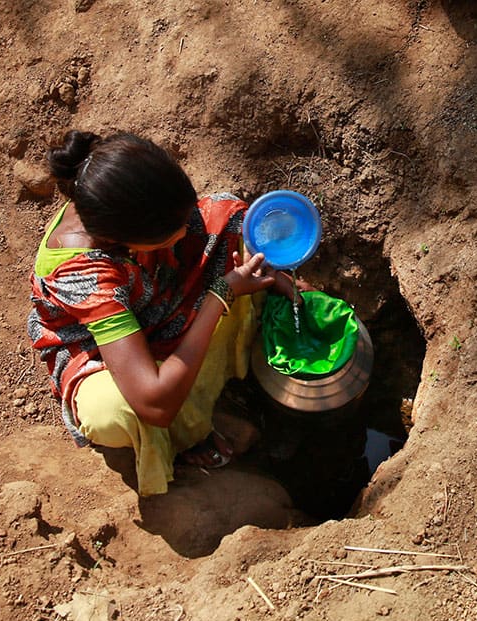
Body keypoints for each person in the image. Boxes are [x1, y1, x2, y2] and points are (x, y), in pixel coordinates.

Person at [27, 130, 292, 496]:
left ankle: (219, 349)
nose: (185, 231)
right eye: (171, 232)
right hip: (96, 344)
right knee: (113, 411)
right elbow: (155, 404)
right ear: (125, 239)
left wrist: (270, 270)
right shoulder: (82, 274)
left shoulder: (114, 194)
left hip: (148, 287)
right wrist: (220, 294)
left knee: (233, 220)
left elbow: (202, 219)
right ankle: (184, 437)